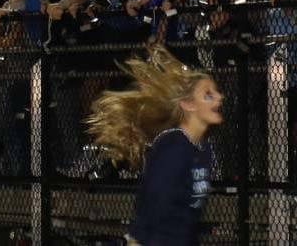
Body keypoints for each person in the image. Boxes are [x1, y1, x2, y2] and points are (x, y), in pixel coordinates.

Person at [87, 45, 223, 246]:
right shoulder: (174, 146)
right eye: (208, 94)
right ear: (189, 104)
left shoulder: (202, 149)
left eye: (216, 92)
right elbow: (153, 204)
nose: (219, 97)